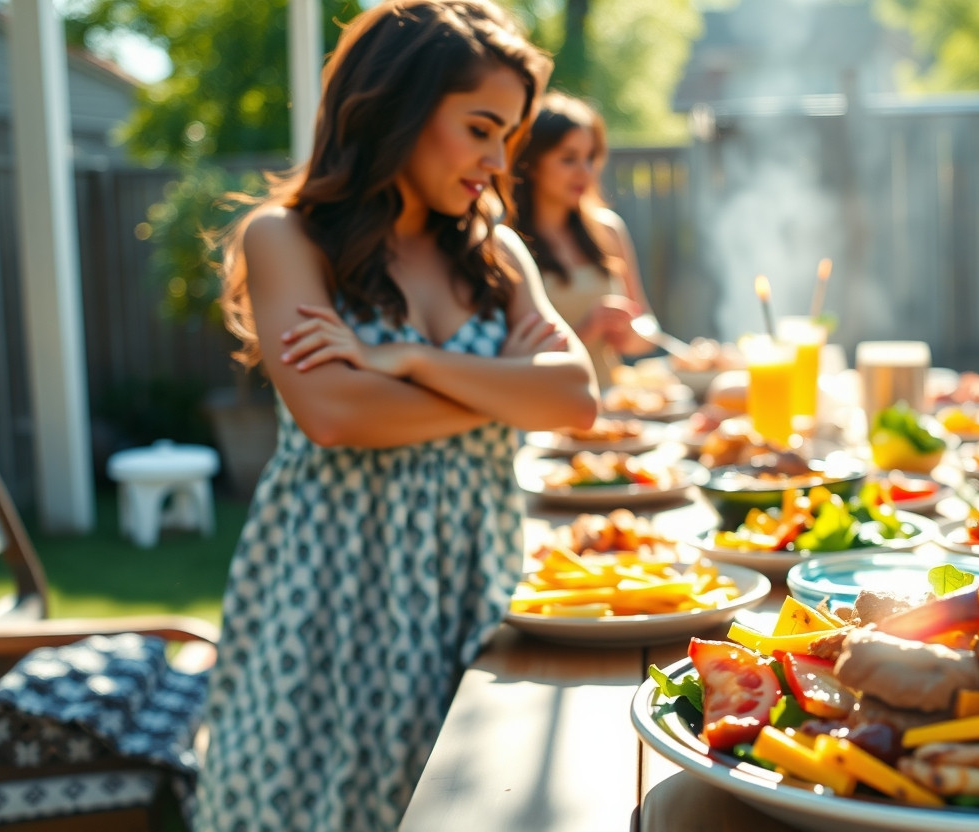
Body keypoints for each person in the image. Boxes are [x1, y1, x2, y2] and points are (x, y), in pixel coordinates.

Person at [196, 3, 599, 829]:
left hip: (476, 579)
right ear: (398, 107)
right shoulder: (288, 239)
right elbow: (337, 412)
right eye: (480, 128)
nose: (497, 161)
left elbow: (576, 400)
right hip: (334, 594)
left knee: (476, 807)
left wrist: (410, 361)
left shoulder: (496, 252)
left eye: (509, 136)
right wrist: (498, 385)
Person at [512, 91, 656, 386]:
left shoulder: (608, 230)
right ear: (531, 162)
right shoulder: (507, 242)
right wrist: (586, 330)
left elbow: (649, 326)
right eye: (569, 159)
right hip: (545, 412)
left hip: (611, 408)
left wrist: (630, 334)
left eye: (591, 158)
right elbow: (510, 365)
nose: (585, 172)